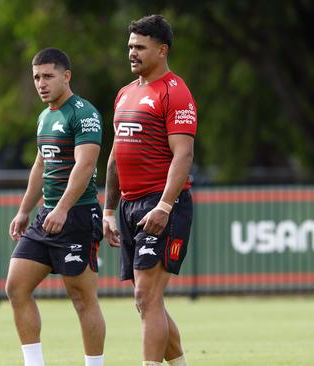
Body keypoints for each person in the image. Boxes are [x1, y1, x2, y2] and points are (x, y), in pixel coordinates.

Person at [103, 15, 197, 366]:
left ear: (162, 50)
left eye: (140, 47)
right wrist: (109, 211)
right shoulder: (125, 94)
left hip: (161, 205)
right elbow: (114, 157)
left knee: (146, 294)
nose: (132, 53)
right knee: (147, 301)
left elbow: (183, 155)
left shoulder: (177, 92)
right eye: (130, 46)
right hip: (127, 206)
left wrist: (165, 206)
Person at [6, 47, 106, 366]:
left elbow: (85, 165)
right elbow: (40, 166)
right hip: (47, 215)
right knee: (16, 286)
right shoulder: (44, 116)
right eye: (36, 77)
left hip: (76, 214)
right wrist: (24, 210)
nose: (41, 83)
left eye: (48, 76)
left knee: (81, 297)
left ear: (66, 76)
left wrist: (62, 208)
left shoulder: (84, 112)